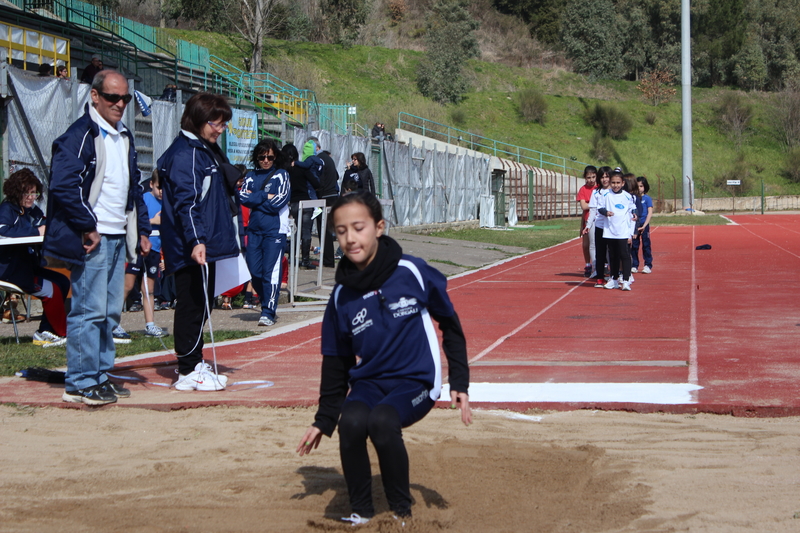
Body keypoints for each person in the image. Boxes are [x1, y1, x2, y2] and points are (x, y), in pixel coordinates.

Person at [297, 190, 472, 525]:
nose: (350, 238)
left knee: (381, 422)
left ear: (379, 227)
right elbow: (336, 362)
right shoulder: (341, 297)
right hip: (370, 383)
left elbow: (449, 322)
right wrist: (323, 419)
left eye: (358, 227)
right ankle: (361, 512)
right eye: (341, 230)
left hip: (415, 381)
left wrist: (459, 381)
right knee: (350, 422)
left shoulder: (411, 271)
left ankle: (401, 514)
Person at [45, 70, 151, 405]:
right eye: (112, 98)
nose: (120, 104)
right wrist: (86, 225)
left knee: (109, 311)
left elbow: (134, 188)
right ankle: (78, 381)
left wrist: (143, 229)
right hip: (93, 236)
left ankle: (101, 375)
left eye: (125, 99)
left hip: (118, 233)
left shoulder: (125, 136)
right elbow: (63, 185)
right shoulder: (80, 135)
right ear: (94, 97)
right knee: (88, 310)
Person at [158, 92, 239, 390]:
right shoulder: (187, 154)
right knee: (192, 304)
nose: (220, 129)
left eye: (223, 124)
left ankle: (194, 360)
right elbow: (187, 203)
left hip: (206, 240)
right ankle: (188, 368)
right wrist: (196, 240)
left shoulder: (203, 150)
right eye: (214, 123)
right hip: (190, 245)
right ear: (197, 121)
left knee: (203, 304)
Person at [0, 168, 70, 348]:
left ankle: (47, 330)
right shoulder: (7, 209)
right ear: (16, 192)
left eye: (34, 193)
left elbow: (47, 222)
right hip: (10, 270)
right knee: (51, 289)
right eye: (27, 193)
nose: (31, 197)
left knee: (62, 281)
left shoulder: (31, 211)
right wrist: (35, 231)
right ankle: (56, 333)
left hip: (28, 267)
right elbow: (3, 232)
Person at [239, 139, 291, 327]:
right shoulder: (251, 176)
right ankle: (265, 299)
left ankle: (268, 310)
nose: (266, 160)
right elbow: (243, 197)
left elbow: (280, 200)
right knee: (254, 272)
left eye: (269, 157)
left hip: (274, 232)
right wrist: (264, 196)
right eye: (262, 157)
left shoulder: (281, 175)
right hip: (254, 231)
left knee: (271, 272)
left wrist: (257, 199)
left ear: (275, 156)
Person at [119, 170, 168, 338]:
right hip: (138, 248)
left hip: (154, 250)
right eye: (159, 188)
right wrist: (152, 221)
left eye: (164, 188)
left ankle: (150, 325)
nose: (162, 192)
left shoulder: (167, 203)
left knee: (149, 289)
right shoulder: (145, 199)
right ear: (152, 185)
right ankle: (113, 323)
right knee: (127, 284)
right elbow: (133, 222)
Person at [284, 143, 320, 270]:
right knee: (306, 231)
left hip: (293, 203)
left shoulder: (284, 171)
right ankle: (305, 260)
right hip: (306, 202)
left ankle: (292, 258)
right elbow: (316, 182)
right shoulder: (302, 168)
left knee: (296, 231)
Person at [599, 171, 635, 291]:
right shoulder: (605, 194)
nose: (615, 185)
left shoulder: (627, 196)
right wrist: (606, 212)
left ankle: (626, 280)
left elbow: (632, 209)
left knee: (624, 255)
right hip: (610, 230)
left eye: (618, 183)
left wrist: (635, 215)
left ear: (623, 183)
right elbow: (600, 208)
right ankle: (613, 279)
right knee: (613, 255)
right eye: (613, 182)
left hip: (622, 230)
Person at [583, 166, 611, 286]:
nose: (605, 179)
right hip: (599, 225)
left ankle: (615, 275)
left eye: (607, 176)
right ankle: (600, 277)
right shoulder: (596, 192)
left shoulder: (615, 191)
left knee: (612, 252)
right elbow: (593, 210)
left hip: (612, 226)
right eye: (602, 177)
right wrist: (588, 225)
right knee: (600, 252)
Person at [316, 148, 340, 268]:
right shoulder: (330, 161)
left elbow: (318, 180)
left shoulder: (320, 160)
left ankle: (327, 259)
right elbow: (336, 176)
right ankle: (328, 258)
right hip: (333, 196)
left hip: (324, 197)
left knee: (323, 228)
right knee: (327, 229)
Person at [576, 165, 597, 277]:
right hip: (587, 221)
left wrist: (589, 204)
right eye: (588, 177)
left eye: (593, 177)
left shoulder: (599, 187)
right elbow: (584, 207)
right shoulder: (583, 190)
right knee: (586, 245)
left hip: (598, 220)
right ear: (585, 177)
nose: (591, 180)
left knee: (597, 244)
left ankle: (599, 265)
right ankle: (588, 264)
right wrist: (581, 226)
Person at [632, 176, 654, 274]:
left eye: (641, 186)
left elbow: (649, 213)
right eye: (637, 186)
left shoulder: (647, 198)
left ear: (645, 187)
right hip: (635, 225)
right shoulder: (633, 198)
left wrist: (644, 225)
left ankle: (647, 265)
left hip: (644, 225)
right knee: (634, 246)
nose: (639, 188)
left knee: (646, 245)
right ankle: (634, 265)